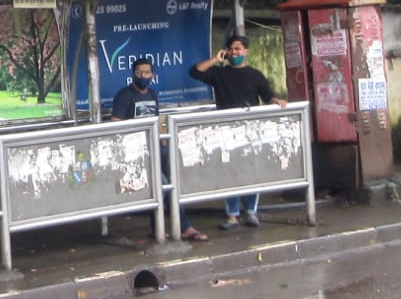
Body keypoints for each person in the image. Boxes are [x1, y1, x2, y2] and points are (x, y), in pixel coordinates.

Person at [189, 35, 288, 230]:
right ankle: (232, 215)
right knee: (229, 172)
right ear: (226, 51)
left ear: (246, 51)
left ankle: (251, 211)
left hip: (251, 132)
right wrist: (216, 60)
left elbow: (268, 96)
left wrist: (276, 101)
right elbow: (195, 72)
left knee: (252, 170)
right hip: (225, 132)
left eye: (239, 49)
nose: (235, 52)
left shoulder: (255, 75)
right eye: (232, 49)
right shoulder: (219, 73)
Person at [110, 57, 207, 242]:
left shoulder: (152, 94)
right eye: (140, 72)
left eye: (147, 72)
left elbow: (157, 121)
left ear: (153, 75)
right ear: (133, 75)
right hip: (138, 154)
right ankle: (173, 228)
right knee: (162, 184)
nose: (143, 76)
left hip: (157, 149)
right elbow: (115, 124)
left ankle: (177, 227)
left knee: (173, 181)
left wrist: (163, 143)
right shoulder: (124, 95)